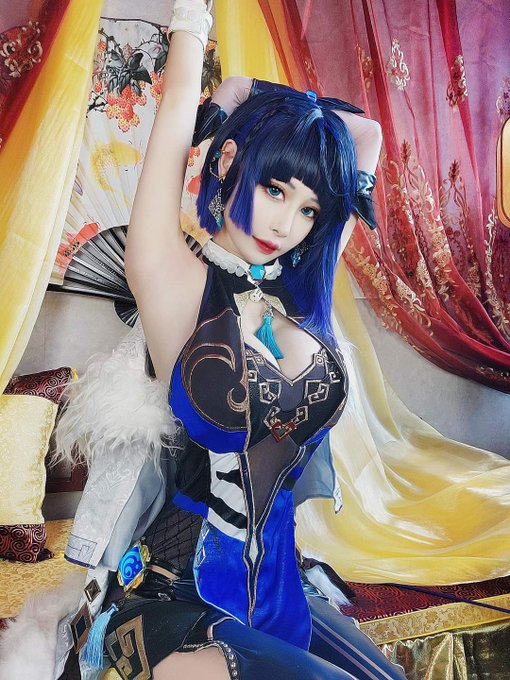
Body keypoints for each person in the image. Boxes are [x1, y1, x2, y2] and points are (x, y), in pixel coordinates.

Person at [54, 1, 405, 678]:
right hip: (173, 596)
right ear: (230, 161)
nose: (287, 224)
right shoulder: (173, 279)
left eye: (309, 208)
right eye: (275, 189)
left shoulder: (297, 299)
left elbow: (367, 134)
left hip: (279, 595)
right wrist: (222, 88)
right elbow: (178, 106)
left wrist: (260, 97)